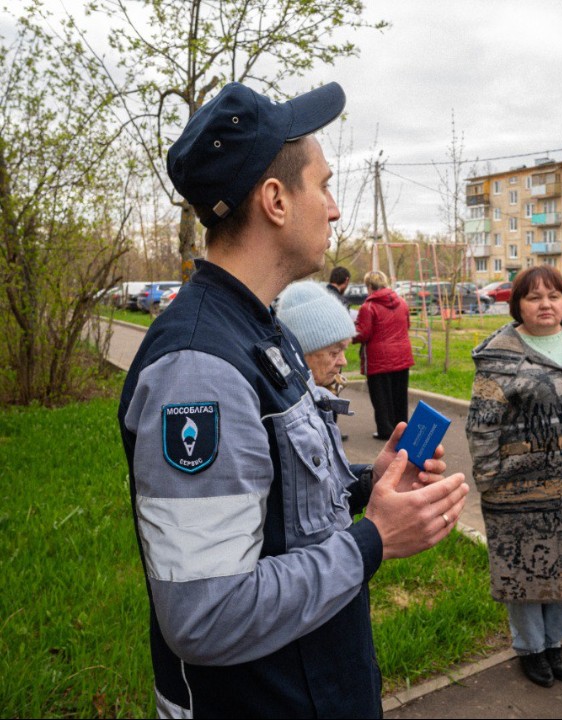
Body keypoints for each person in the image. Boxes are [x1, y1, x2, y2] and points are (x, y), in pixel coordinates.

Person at [118, 81, 469, 718]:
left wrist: (370, 483)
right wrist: (375, 540)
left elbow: (281, 500)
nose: (335, 209)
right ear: (276, 200)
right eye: (324, 184)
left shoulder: (261, 327)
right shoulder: (199, 370)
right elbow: (206, 613)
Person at [466, 265, 562, 689]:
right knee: (528, 573)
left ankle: (555, 642)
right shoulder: (500, 354)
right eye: (534, 297)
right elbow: (482, 425)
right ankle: (531, 648)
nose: (546, 304)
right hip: (520, 491)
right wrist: (490, 478)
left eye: (554, 295)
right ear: (518, 305)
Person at [276, 279, 353, 433]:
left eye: (344, 350)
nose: (343, 361)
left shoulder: (315, 400)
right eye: (334, 352)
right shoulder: (284, 415)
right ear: (300, 353)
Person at [354, 270, 414, 440]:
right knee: (399, 395)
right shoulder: (402, 303)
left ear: (370, 286)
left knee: (381, 396)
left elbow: (363, 333)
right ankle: (401, 428)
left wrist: (349, 333)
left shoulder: (369, 307)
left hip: (378, 358)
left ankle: (385, 429)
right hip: (402, 355)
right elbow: (406, 325)